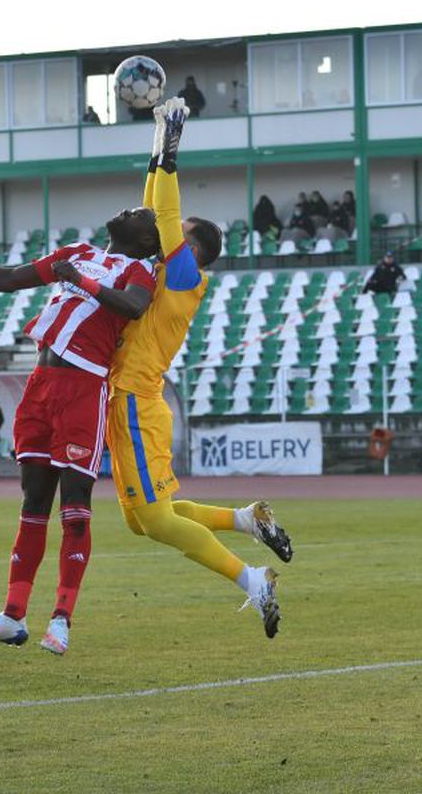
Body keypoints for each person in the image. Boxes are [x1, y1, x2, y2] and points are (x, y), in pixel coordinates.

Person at [0, 197, 159, 655]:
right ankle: (12, 614)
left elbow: (133, 307)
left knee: (75, 505)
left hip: (85, 385)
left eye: (140, 214)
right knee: (33, 498)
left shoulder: (139, 271)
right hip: (41, 384)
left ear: (147, 238)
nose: (128, 210)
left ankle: (62, 619)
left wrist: (80, 282)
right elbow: (10, 279)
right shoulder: (79, 251)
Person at [105, 98, 287, 641]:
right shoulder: (168, 272)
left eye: (179, 232)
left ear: (193, 248)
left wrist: (174, 145)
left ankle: (250, 579)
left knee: (156, 519)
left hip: (136, 398)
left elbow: (160, 215)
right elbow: (150, 205)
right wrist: (158, 141)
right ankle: (244, 518)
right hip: (136, 398)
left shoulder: (185, 275)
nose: (167, 234)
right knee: (143, 521)